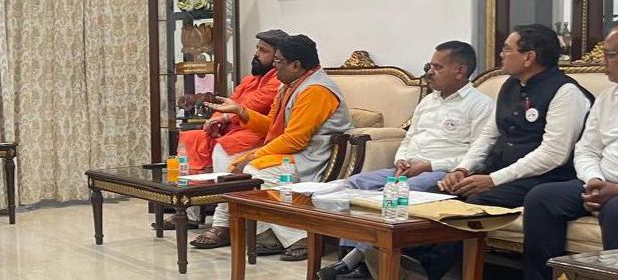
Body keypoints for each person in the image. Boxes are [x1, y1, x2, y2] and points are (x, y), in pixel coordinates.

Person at [406, 24, 594, 280]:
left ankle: (428, 273)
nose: (501, 55)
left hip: (544, 178)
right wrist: (463, 169)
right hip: (499, 171)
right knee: (433, 195)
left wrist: (493, 180)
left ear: (529, 57)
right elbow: (488, 136)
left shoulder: (566, 92)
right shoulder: (510, 86)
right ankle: (404, 265)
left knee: (472, 205)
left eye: (507, 49)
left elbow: (553, 154)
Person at [318, 41, 494, 280]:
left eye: (437, 67)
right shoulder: (428, 101)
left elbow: (479, 154)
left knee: (392, 194)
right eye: (429, 66)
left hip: (441, 172)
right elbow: (409, 138)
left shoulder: (480, 105)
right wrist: (401, 159)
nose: (429, 72)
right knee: (353, 185)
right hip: (408, 168)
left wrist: (429, 166)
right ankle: (350, 256)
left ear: (460, 71)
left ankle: (356, 264)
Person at [523, 19, 618, 280]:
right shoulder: (608, 97)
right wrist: (594, 180)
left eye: (610, 54)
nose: (602, 61)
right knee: (542, 198)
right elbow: (586, 150)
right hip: (607, 182)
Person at [190, 34, 352, 261]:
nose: (274, 67)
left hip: (313, 156)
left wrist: (254, 155)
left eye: (278, 61)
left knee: (256, 171)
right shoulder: (289, 85)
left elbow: (295, 140)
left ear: (296, 65)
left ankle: (300, 237)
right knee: (235, 168)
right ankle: (233, 227)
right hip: (293, 153)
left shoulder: (316, 90)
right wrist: (240, 111)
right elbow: (273, 126)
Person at [153, 29, 286, 230]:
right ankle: (189, 211)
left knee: (225, 146)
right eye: (257, 48)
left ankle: (224, 223)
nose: (256, 53)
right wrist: (214, 120)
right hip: (231, 126)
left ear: (278, 56)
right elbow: (229, 101)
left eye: (263, 50)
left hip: (255, 131)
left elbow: (253, 105)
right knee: (191, 138)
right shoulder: (251, 79)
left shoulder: (278, 80)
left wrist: (224, 118)